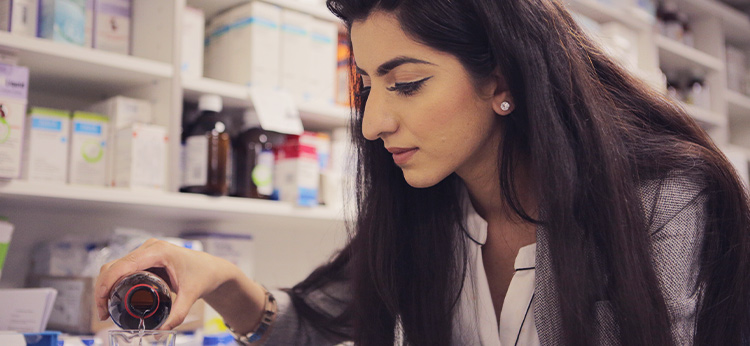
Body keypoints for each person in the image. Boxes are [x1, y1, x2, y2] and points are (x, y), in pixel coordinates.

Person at [95, 0, 750, 344]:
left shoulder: (663, 198)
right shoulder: (431, 209)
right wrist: (221, 281)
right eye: (366, 86)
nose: (374, 123)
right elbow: (316, 327)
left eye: (406, 84)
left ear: (503, 79)